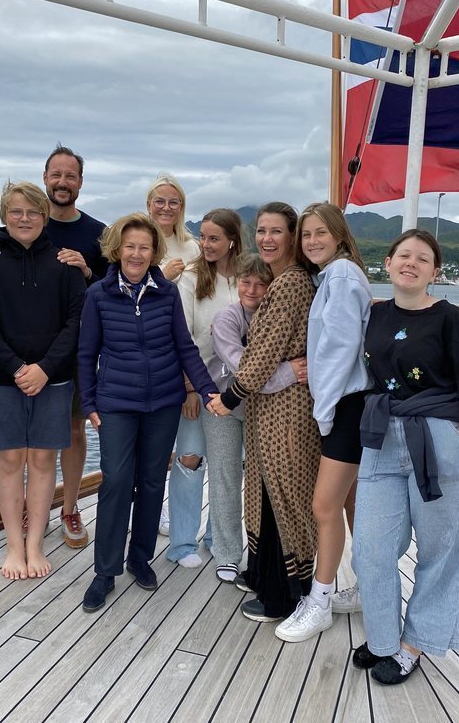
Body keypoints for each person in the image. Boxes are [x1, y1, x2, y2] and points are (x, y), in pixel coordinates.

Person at [350, 229, 459, 685]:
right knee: (371, 548)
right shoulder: (374, 315)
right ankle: (381, 639)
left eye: (422, 258)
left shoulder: (451, 319)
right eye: (403, 255)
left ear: (435, 272)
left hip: (439, 442)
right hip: (381, 438)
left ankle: (413, 644)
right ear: (389, 263)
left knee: (439, 553)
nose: (411, 263)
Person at [77, 212, 217, 613]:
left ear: (155, 251)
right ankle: (105, 572)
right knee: (117, 482)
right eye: (130, 246)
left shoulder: (166, 292)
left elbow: (185, 347)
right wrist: (88, 402)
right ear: (117, 250)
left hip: (163, 403)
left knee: (153, 482)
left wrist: (207, 391)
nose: (137, 254)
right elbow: (86, 353)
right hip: (117, 404)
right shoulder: (99, 295)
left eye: (144, 247)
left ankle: (139, 559)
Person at [0, 145, 107, 550]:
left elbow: (104, 290)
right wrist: (15, 367)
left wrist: (85, 268)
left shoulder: (94, 237)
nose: (63, 182)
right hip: (9, 370)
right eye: (56, 175)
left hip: (68, 360)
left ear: (80, 182)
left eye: (71, 175)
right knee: (15, 455)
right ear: (46, 178)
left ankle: (67, 509)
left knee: (69, 433)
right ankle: (27, 525)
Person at [0, 181, 85, 580]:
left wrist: (46, 368)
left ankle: (35, 544)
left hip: (55, 378)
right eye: (16, 211)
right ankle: (14, 545)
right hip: (2, 378)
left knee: (43, 458)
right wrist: (17, 367)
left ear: (45, 216)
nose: (25, 218)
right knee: (11, 458)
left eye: (33, 212)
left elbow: (75, 322)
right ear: (4, 215)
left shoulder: (66, 264)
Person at [208, 202, 321, 624]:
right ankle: (263, 574)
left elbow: (261, 354)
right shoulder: (285, 280)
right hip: (271, 406)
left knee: (282, 493)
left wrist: (230, 397)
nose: (267, 239)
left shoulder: (289, 285)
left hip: (286, 410)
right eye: (261, 231)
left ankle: (283, 594)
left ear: (292, 236)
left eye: (277, 231)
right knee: (266, 489)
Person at [274, 202, 372, 643]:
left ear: (339, 235)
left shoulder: (343, 276)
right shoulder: (332, 276)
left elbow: (338, 350)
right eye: (306, 235)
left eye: (320, 233)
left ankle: (319, 601)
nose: (312, 241)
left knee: (324, 505)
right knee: (349, 503)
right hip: (347, 404)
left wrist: (324, 413)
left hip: (345, 406)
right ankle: (370, 588)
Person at [206, 254, 307, 584]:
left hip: (261, 411)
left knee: (261, 484)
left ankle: (259, 558)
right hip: (223, 405)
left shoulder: (276, 315)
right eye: (246, 282)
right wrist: (291, 372)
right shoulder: (227, 319)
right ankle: (226, 554)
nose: (252, 289)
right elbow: (244, 369)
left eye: (261, 283)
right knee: (224, 478)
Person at [167, 208, 243, 569]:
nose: (206, 245)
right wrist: (189, 386)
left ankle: (217, 535)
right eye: (204, 237)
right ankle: (182, 542)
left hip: (236, 389)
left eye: (214, 238)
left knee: (227, 465)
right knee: (191, 458)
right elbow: (181, 333)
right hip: (198, 384)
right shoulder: (192, 277)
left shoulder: (246, 275)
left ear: (232, 240)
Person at [144, 174, 201, 536]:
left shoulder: (192, 246)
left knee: (182, 442)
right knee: (149, 440)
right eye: (159, 200)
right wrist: (162, 277)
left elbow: (200, 298)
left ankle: (168, 511)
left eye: (174, 202)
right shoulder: (135, 240)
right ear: (148, 203)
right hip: (146, 350)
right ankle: (144, 509)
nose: (166, 208)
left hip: (184, 349)